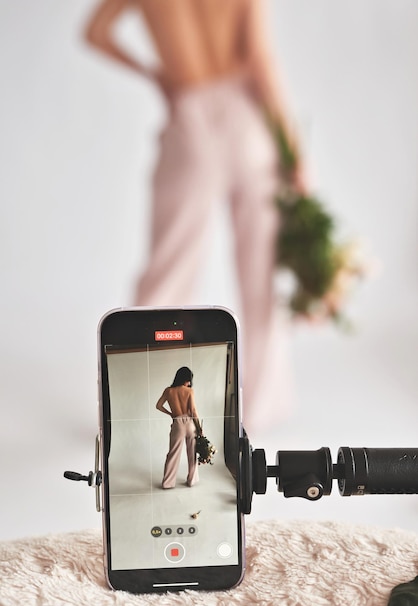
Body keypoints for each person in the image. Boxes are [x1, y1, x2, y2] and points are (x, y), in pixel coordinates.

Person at [84, 0, 308, 432]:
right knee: (260, 275)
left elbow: (95, 33)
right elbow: (261, 60)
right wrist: (295, 152)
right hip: (248, 124)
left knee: (167, 272)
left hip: (190, 117)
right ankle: (257, 412)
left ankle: (132, 412)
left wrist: (155, 75)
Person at [156, 366, 199, 488]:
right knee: (192, 453)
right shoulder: (190, 391)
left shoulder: (168, 391)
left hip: (177, 423)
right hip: (190, 423)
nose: (189, 383)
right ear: (184, 379)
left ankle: (168, 483)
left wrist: (171, 414)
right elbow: (193, 410)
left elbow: (158, 405)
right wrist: (199, 427)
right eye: (189, 380)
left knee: (173, 453)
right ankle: (191, 480)